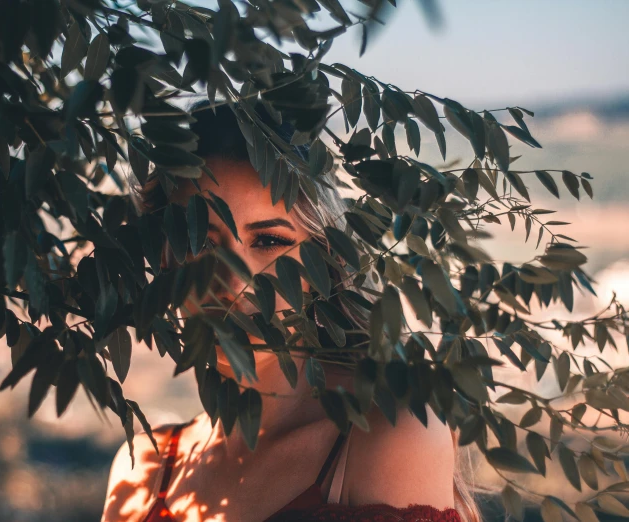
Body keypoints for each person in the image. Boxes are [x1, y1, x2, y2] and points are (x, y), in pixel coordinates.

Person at [102, 101, 480, 522]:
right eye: (201, 243)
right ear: (168, 260)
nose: (233, 283)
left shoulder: (387, 435)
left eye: (268, 242)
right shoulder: (143, 473)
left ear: (325, 262)